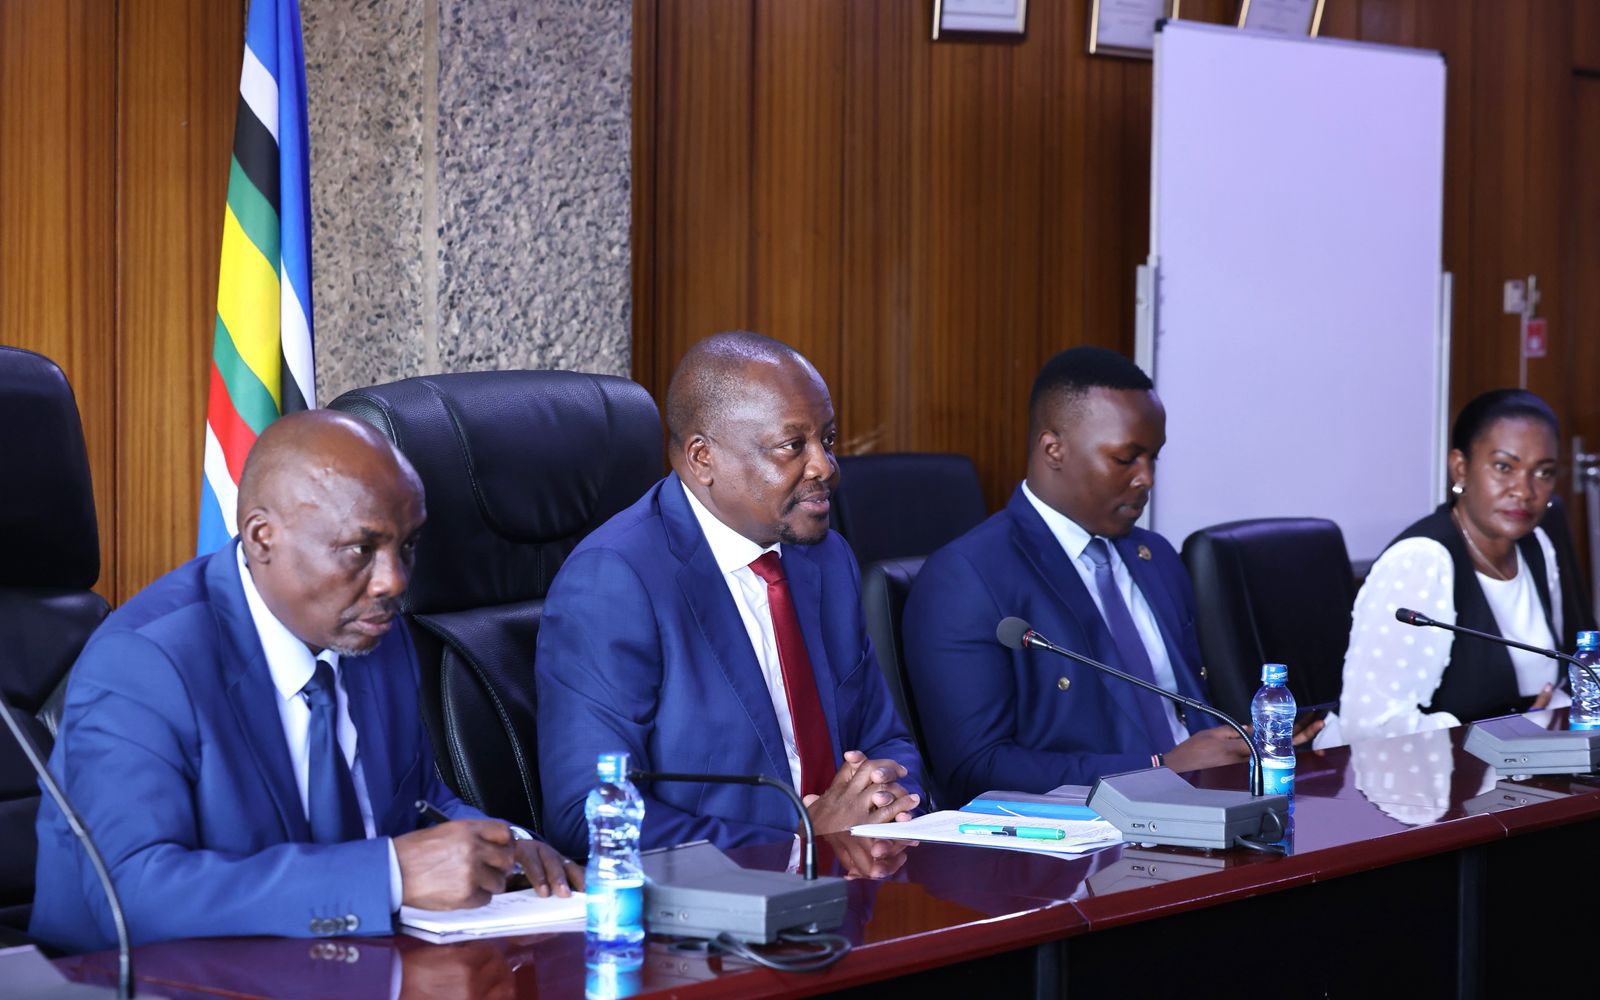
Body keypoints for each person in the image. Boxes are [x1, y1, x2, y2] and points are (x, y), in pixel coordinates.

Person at [31, 411, 580, 954]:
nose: (394, 581)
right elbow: (131, 894)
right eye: (360, 549)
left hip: (343, 966)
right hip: (146, 980)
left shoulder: (371, 631)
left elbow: (414, 801)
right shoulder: (144, 662)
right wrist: (388, 876)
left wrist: (507, 847)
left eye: (408, 545)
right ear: (262, 538)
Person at [536, 331, 923, 857]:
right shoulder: (615, 580)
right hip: (718, 899)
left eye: (827, 440)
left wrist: (883, 798)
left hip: (859, 876)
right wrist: (799, 845)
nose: (825, 467)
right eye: (793, 446)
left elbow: (888, 740)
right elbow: (587, 813)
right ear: (703, 458)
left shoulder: (826, 558)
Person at [903, 347, 1310, 807]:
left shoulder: (1155, 556)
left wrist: (1246, 743)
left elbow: (1190, 711)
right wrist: (1159, 767)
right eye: (1125, 459)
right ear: (1053, 450)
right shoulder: (967, 577)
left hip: (1214, 807)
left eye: (1153, 458)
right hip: (1085, 838)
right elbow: (974, 768)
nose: (1146, 479)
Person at [1318, 389, 1594, 747]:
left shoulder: (1537, 545)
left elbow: (1558, 683)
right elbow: (1371, 727)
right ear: (1460, 468)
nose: (1524, 491)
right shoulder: (1420, 562)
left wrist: (1536, 722)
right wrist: (1504, 728)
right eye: (1504, 467)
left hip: (1516, 765)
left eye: (1543, 472)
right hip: (1403, 773)